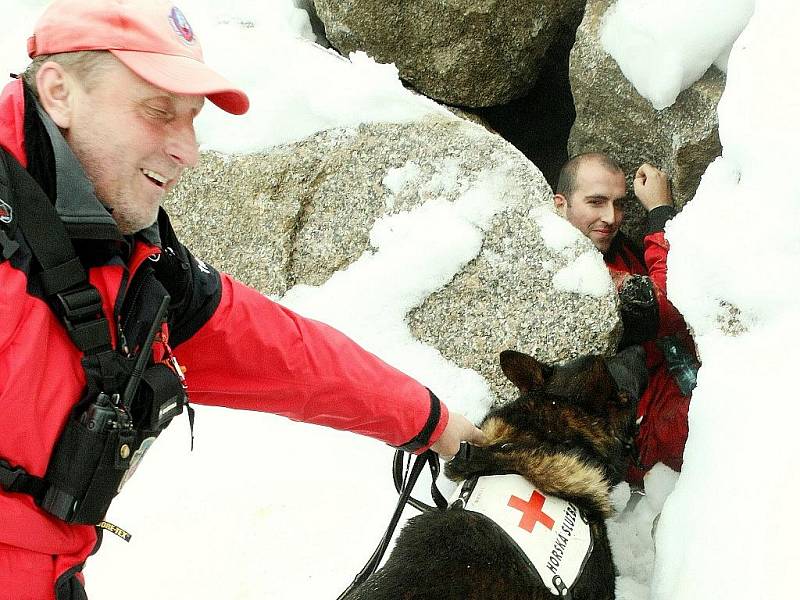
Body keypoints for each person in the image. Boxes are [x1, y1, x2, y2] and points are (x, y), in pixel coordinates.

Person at [0, 1, 486, 598]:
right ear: (58, 92)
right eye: (158, 111)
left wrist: (429, 420)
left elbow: (281, 352)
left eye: (192, 119)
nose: (189, 150)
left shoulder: (131, 258)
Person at [553, 152, 698, 485]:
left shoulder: (614, 247)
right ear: (560, 204)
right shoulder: (574, 275)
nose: (611, 217)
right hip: (645, 430)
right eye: (596, 202)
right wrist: (660, 212)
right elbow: (671, 305)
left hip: (674, 382)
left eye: (619, 204)